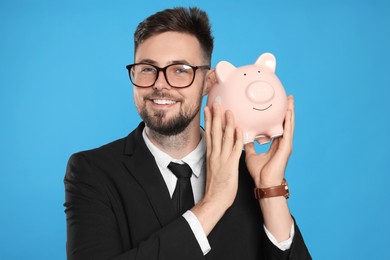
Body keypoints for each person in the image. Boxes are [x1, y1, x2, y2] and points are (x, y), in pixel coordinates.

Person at [64, 6, 311, 260]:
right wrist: (213, 202)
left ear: (208, 82)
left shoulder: (247, 169)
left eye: (180, 70)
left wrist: (270, 189)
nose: (160, 84)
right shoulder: (92, 171)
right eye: (148, 68)